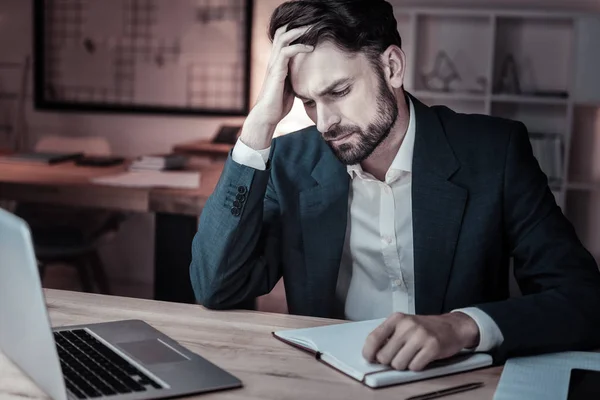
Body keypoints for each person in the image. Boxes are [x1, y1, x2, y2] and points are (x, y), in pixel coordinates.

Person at [190, 0, 600, 371]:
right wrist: (257, 127)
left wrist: (462, 327)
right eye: (308, 102)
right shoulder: (290, 163)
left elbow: (583, 299)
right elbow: (218, 287)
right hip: (328, 383)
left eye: (340, 91)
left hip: (458, 381)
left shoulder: (495, 154)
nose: (326, 122)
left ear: (392, 68)